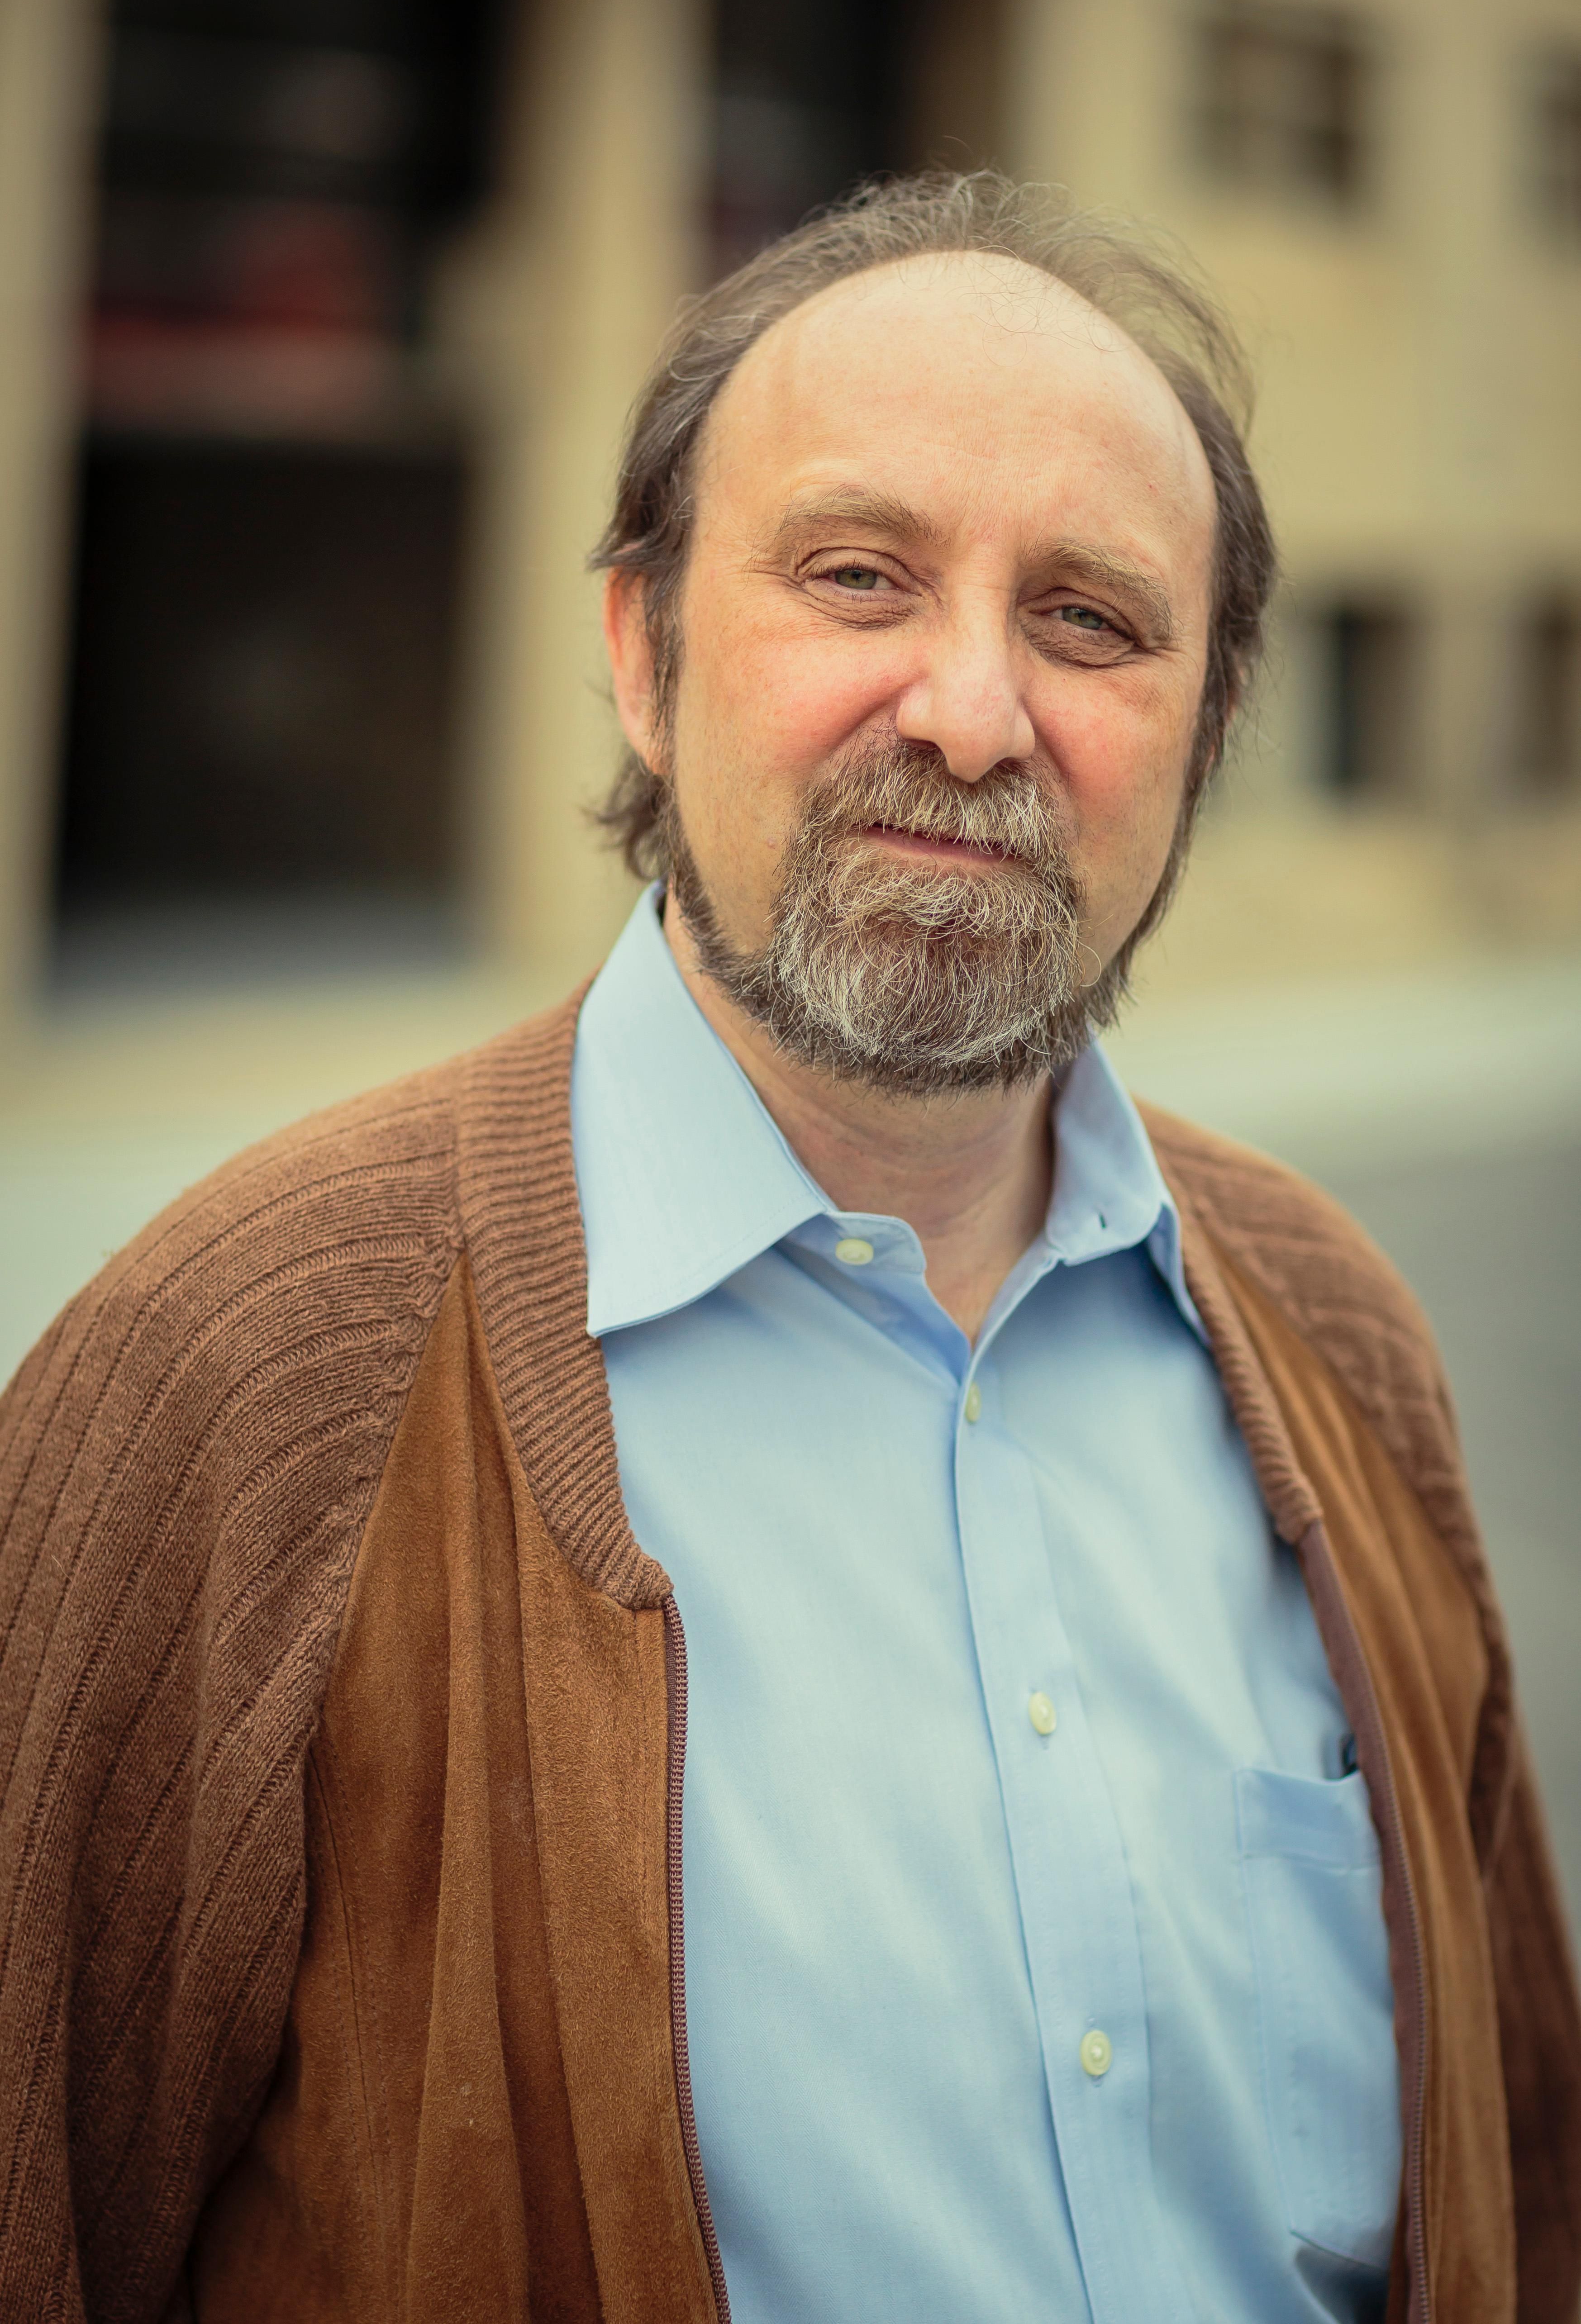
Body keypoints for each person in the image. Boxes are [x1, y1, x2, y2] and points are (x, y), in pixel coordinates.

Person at [0, 173, 1576, 2324]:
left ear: (1203, 744)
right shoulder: (234, 1379)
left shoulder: (1336, 1345)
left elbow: (1523, 2182)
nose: (970, 710)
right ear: (640, 657)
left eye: (1089, 622)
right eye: (857, 578)